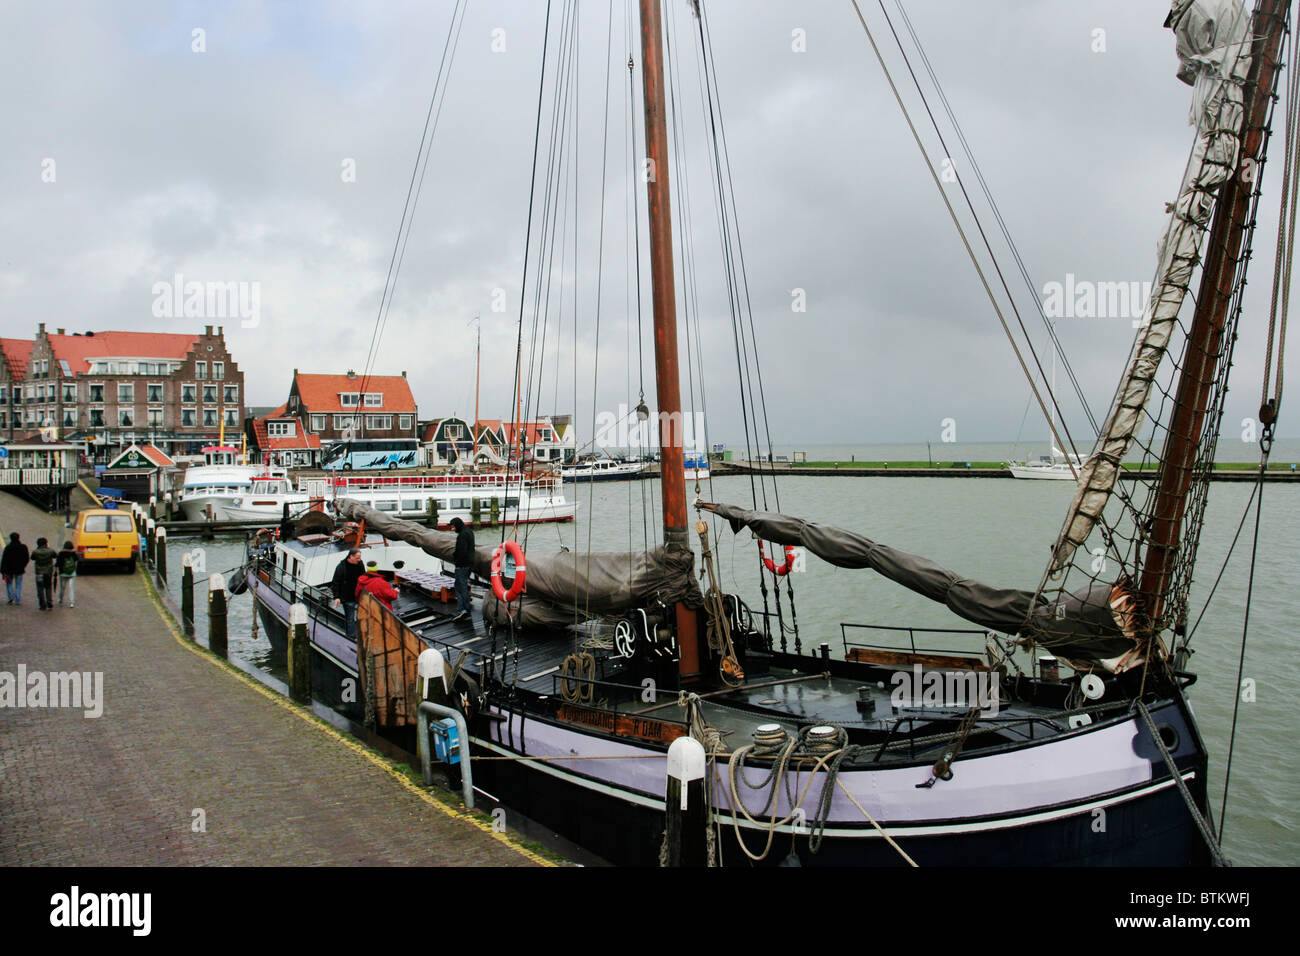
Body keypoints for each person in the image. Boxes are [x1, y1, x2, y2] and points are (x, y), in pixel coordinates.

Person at [331, 548, 365, 640]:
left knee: (361, 616)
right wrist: (337, 597)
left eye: (360, 558)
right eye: (357, 558)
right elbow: (335, 582)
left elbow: (363, 577)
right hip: (347, 597)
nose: (359, 560)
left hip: (359, 596)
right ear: (351, 557)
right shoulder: (341, 567)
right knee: (350, 618)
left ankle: (362, 634)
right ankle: (351, 636)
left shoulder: (360, 564)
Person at [450, 517, 474, 621]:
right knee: (462, 586)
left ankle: (463, 610)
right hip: (469, 564)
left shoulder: (462, 535)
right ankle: (465, 610)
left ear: (457, 525)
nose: (452, 529)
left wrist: (458, 564)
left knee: (460, 587)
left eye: (453, 527)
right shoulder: (469, 531)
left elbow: (461, 551)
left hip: (462, 565)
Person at [2, 532, 29, 605]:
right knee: (18, 584)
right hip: (19, 569)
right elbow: (26, 558)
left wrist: (2, 571)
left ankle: (11, 597)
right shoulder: (23, 547)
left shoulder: (8, 548)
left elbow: (4, 560)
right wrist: (23, 565)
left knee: (9, 583)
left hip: (9, 570)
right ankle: (17, 598)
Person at [31, 537, 57, 612]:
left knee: (40, 588)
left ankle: (42, 604)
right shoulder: (50, 551)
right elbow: (55, 555)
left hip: (39, 572)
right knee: (48, 587)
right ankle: (49, 602)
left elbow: (32, 558)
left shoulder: (36, 552)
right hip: (48, 572)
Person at [57, 541, 78, 608]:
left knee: (62, 588)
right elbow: (76, 561)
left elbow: (58, 563)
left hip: (63, 573)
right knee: (71, 588)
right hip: (72, 573)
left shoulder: (61, 553)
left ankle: (60, 599)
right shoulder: (73, 553)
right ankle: (72, 602)